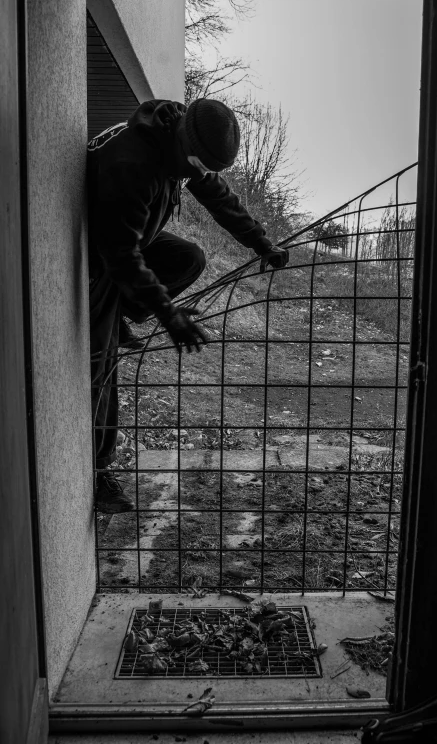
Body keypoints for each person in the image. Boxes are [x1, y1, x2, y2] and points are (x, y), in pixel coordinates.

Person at [88, 98, 289, 513]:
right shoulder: (130, 164)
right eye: (196, 164)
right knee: (100, 364)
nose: (198, 174)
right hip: (103, 259)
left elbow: (218, 197)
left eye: (205, 167)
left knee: (189, 257)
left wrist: (262, 242)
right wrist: (168, 313)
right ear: (180, 141)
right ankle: (97, 471)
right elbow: (121, 256)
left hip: (134, 240)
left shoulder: (182, 143)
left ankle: (126, 313)